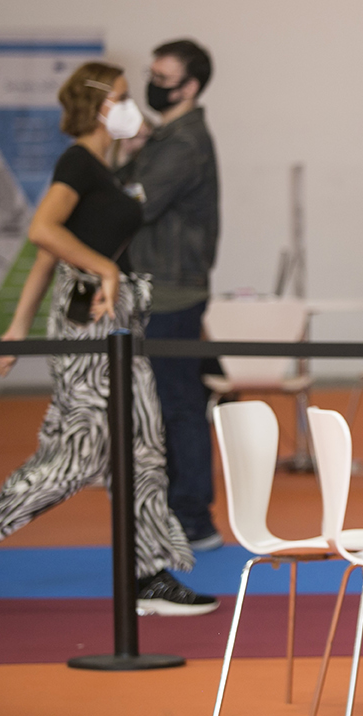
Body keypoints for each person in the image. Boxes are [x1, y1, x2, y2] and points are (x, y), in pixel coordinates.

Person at [0, 62, 216, 616]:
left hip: (116, 323)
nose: (129, 105)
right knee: (74, 456)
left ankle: (148, 576)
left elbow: (51, 250)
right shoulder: (78, 162)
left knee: (140, 449)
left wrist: (18, 324)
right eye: (120, 97)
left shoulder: (103, 167)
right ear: (96, 106)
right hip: (91, 322)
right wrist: (107, 273)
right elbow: (44, 230)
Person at [117, 38, 222, 550]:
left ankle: (193, 518)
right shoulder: (166, 139)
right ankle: (182, 512)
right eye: (152, 75)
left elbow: (134, 205)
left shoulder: (182, 144)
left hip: (172, 292)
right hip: (161, 287)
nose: (153, 86)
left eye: (163, 79)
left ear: (191, 86)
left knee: (178, 404)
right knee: (169, 402)